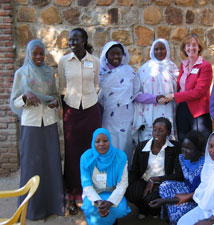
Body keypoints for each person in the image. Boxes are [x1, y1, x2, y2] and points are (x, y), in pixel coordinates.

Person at [10, 39, 64, 220]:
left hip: (49, 123)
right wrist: (25, 96)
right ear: (29, 54)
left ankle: (53, 206)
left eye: (42, 53)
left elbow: (55, 96)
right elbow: (14, 102)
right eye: (35, 53)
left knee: (51, 163)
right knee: (31, 165)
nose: (39, 57)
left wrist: (56, 103)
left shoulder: (49, 72)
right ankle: (31, 209)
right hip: (31, 124)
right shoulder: (21, 73)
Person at [58, 28, 102, 214]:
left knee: (92, 151)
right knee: (72, 153)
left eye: (76, 39)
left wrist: (89, 100)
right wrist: (67, 108)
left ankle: (90, 193)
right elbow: (61, 87)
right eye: (70, 39)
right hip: (72, 112)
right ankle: (73, 193)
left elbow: (97, 85)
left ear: (84, 40)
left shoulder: (95, 61)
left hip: (91, 110)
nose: (72, 42)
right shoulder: (64, 61)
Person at [160, 34, 213, 142]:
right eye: (188, 45)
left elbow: (198, 92)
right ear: (184, 48)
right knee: (183, 142)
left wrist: (173, 96)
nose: (191, 48)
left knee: (200, 144)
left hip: (198, 112)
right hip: (183, 109)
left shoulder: (205, 66)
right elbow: (179, 87)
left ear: (199, 48)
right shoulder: (183, 66)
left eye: (194, 45)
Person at [126, 117, 183, 218]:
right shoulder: (142, 146)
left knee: (152, 198)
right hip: (143, 180)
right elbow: (134, 170)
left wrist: (154, 180)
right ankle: (143, 210)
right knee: (133, 192)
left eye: (161, 130)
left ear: (168, 132)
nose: (156, 133)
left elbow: (178, 174)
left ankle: (154, 212)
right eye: (154, 130)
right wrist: (131, 185)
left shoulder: (174, 148)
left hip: (161, 182)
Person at [98, 41, 142, 166]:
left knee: (124, 146)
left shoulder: (129, 71)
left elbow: (137, 94)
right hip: (107, 118)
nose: (116, 57)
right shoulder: (99, 74)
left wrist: (155, 99)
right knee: (108, 144)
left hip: (126, 117)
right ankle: (108, 177)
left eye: (119, 54)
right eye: (112, 54)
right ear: (106, 56)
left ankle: (124, 179)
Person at [149, 130, 206, 224]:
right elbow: (179, 176)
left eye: (188, 148)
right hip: (188, 188)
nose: (183, 150)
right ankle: (170, 214)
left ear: (198, 150)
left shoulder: (204, 165)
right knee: (164, 186)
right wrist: (156, 179)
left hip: (197, 197)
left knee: (177, 211)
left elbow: (200, 193)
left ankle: (176, 217)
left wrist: (165, 201)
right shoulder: (182, 158)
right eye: (183, 146)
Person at [80, 128, 131, 225]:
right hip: (94, 194)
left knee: (120, 210)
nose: (101, 144)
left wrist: (110, 202)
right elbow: (86, 185)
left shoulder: (120, 157)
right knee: (88, 208)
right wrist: (98, 201)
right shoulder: (86, 158)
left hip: (112, 193)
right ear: (93, 143)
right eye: (97, 141)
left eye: (105, 141)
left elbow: (123, 184)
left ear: (110, 141)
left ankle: (109, 219)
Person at [133, 38, 179, 142]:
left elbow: (179, 91)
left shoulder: (173, 68)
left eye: (162, 48)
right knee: (149, 144)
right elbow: (137, 95)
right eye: (156, 49)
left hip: (168, 112)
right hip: (149, 114)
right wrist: (155, 98)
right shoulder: (144, 69)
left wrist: (169, 97)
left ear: (167, 50)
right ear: (152, 51)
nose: (159, 52)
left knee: (167, 141)